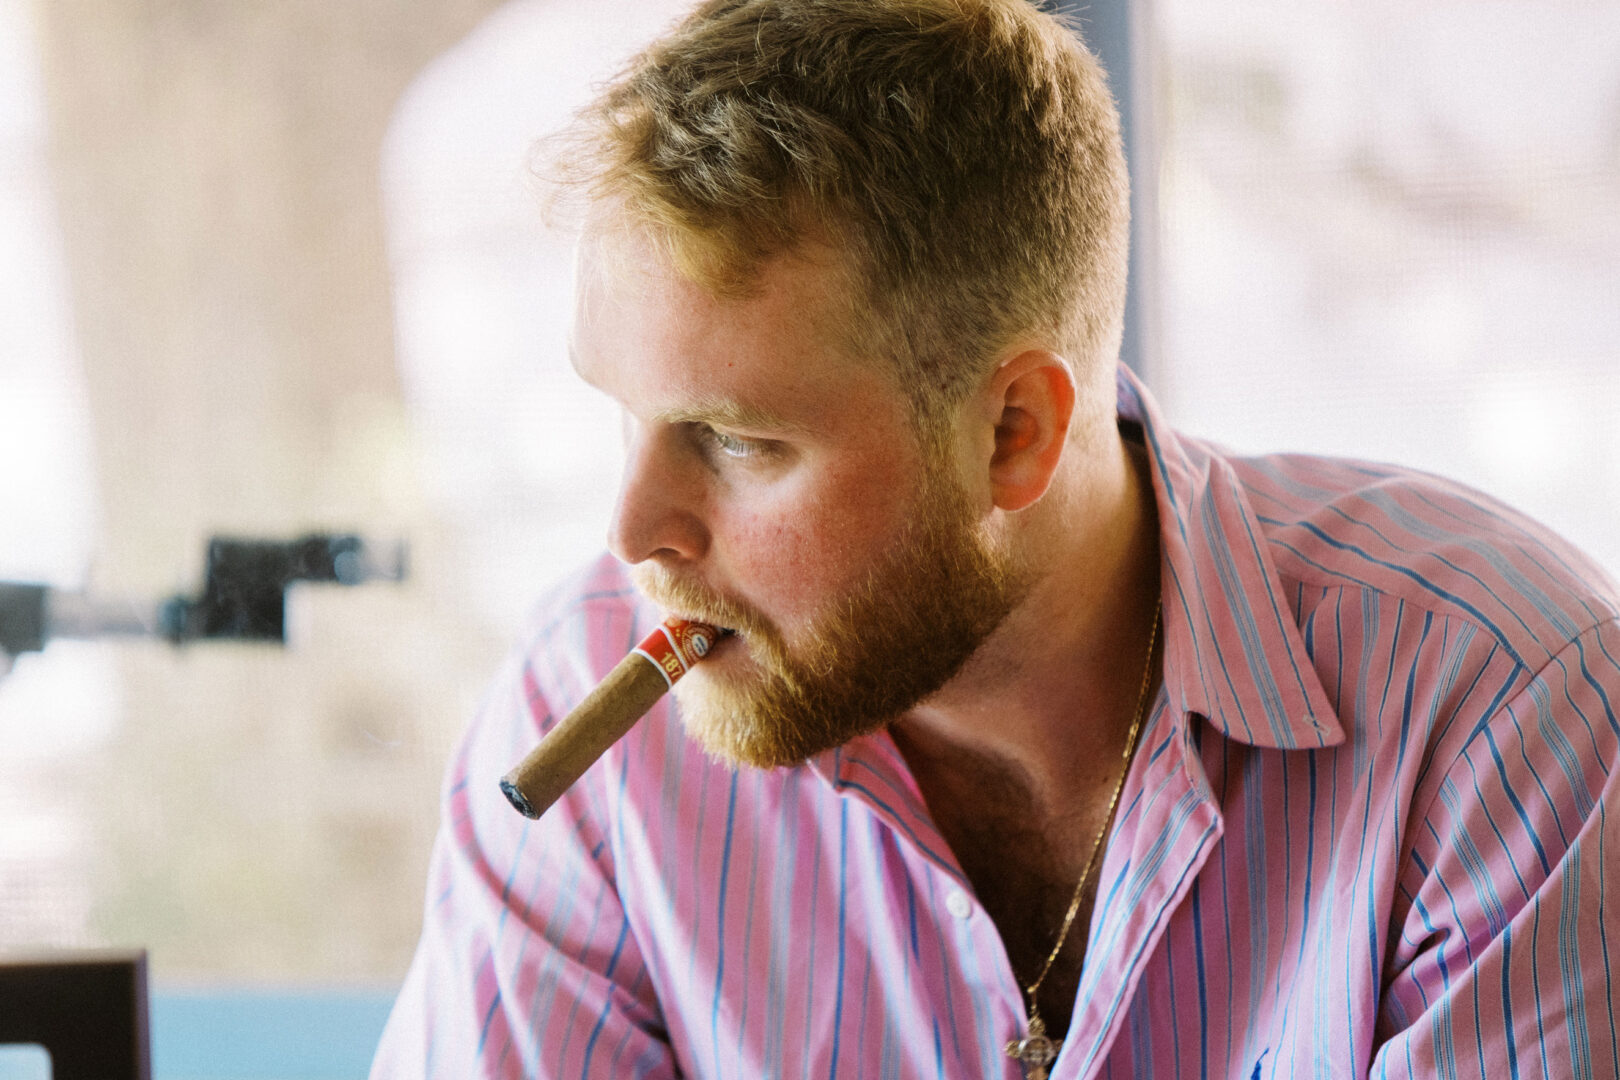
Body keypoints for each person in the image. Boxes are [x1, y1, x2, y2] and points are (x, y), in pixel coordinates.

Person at [370, 1, 1620, 1076]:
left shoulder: (1496, 713)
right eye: (626, 416)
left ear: (1016, 430)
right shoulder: (588, 726)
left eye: (738, 440)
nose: (634, 530)